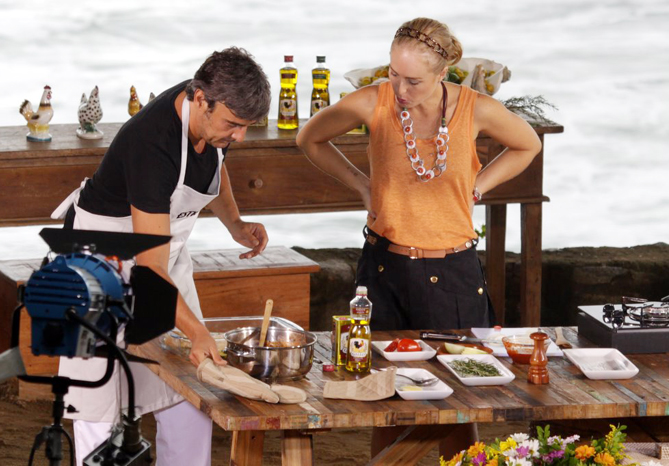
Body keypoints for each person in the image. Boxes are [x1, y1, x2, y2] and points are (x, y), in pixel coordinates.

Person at [296, 17, 542, 459]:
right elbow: (309, 137)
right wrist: (360, 184)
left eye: (412, 80)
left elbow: (527, 145)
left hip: (454, 272)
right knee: (384, 395)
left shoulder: (476, 107)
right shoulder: (373, 102)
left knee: (458, 400)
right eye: (392, 73)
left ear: (442, 72)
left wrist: (479, 185)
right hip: (384, 269)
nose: (399, 88)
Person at [51, 47, 271, 466]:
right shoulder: (152, 144)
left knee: (193, 390)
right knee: (98, 399)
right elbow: (148, 271)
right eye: (234, 125)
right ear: (200, 99)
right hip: (101, 263)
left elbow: (214, 164)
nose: (239, 136)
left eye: (246, 127)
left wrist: (235, 224)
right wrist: (197, 332)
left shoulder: (211, 119)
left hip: (160, 254)